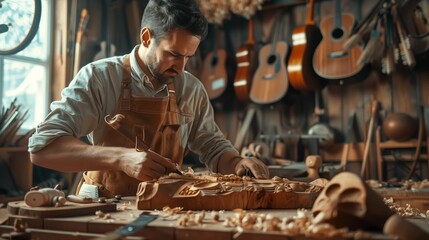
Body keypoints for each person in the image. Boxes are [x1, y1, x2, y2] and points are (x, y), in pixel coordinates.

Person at [28, 0, 269, 198]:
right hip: (101, 206)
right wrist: (120, 158)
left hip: (164, 206)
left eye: (188, 57)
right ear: (146, 37)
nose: (181, 67)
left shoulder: (191, 88)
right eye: (174, 54)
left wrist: (237, 163)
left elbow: (213, 147)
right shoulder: (99, 77)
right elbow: (42, 148)